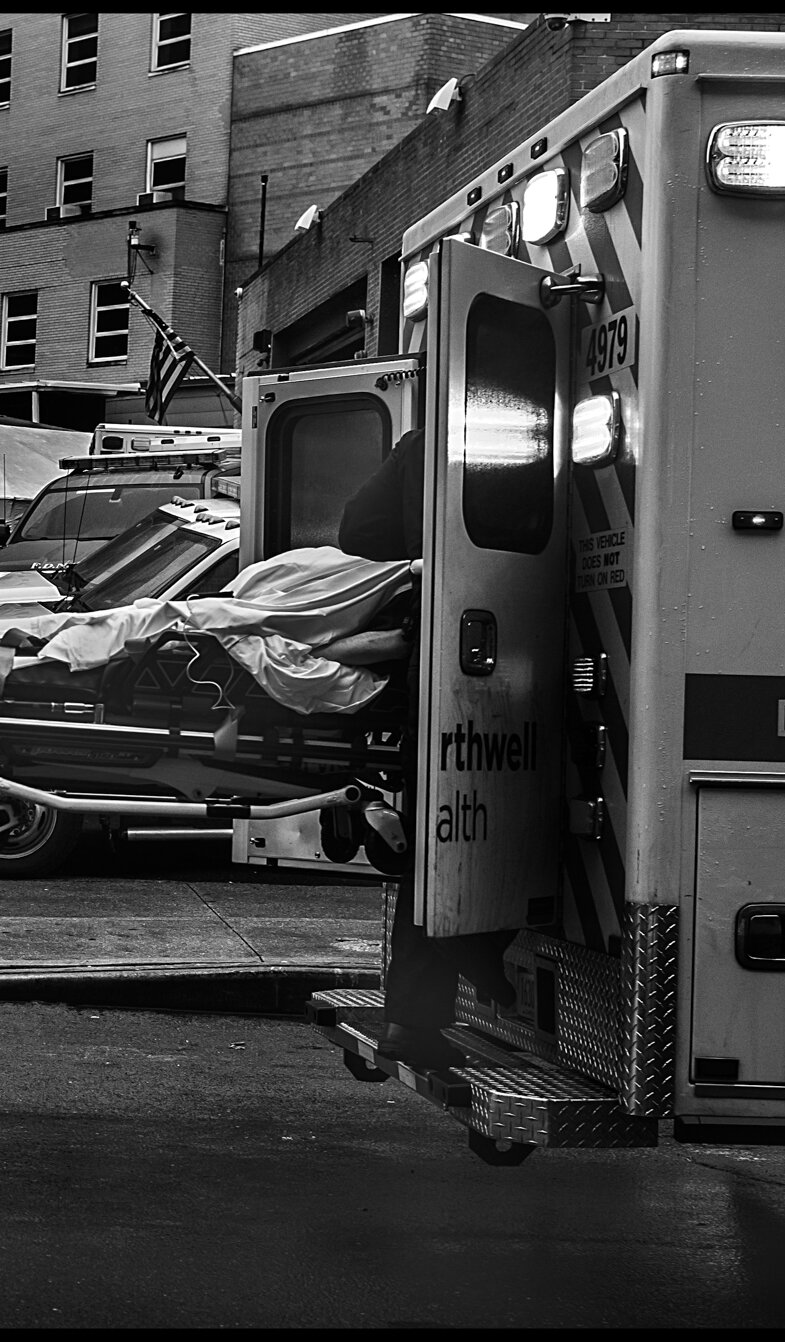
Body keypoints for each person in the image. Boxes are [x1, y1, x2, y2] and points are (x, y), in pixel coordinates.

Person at [338, 429, 516, 1070]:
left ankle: (417, 1013)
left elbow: (357, 531)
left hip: (440, 665)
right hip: (516, 662)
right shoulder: (533, 438)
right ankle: (473, 954)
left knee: (437, 841)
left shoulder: (427, 441)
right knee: (499, 832)